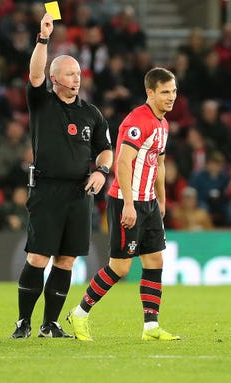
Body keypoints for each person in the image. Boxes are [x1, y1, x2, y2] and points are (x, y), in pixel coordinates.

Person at [10, 12, 114, 339]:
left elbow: (105, 148)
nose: (76, 78)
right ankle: (23, 322)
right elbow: (34, 72)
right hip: (46, 189)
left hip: (79, 193)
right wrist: (43, 38)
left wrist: (102, 171)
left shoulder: (91, 113)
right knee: (39, 256)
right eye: (69, 73)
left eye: (78, 73)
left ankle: (49, 324)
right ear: (54, 79)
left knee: (67, 260)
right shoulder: (41, 103)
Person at [66, 67, 180, 342]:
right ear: (149, 93)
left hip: (149, 202)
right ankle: (79, 314)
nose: (171, 97)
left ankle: (151, 327)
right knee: (120, 267)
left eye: (174, 91)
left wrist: (160, 200)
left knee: (155, 260)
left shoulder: (163, 124)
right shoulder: (137, 121)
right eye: (165, 92)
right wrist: (129, 203)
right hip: (125, 201)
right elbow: (123, 163)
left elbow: (160, 165)